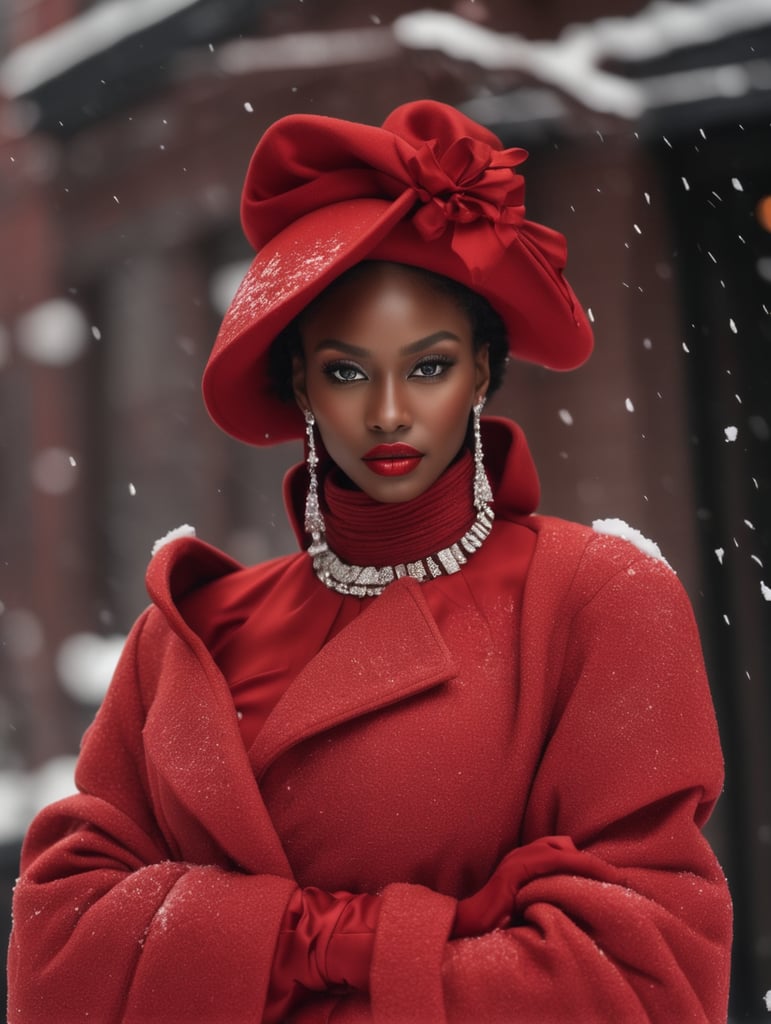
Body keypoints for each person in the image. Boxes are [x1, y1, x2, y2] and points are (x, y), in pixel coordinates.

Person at [7, 100, 732, 1023]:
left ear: (481, 371)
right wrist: (363, 940)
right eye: (348, 371)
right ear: (301, 382)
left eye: (428, 367)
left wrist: (214, 958)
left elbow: (640, 980)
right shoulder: (190, 635)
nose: (389, 411)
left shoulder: (592, 598)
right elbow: (58, 956)